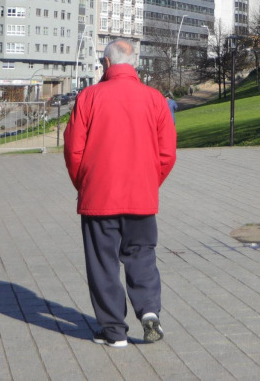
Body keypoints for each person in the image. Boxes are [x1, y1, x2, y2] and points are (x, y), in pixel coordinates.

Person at [64, 39, 177, 347]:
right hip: (141, 196)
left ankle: (114, 331)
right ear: (134, 64)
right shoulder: (155, 99)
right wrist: (150, 183)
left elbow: (73, 149)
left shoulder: (89, 97)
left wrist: (84, 184)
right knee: (142, 255)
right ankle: (149, 310)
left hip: (99, 197)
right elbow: (167, 152)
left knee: (103, 263)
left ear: (106, 63)